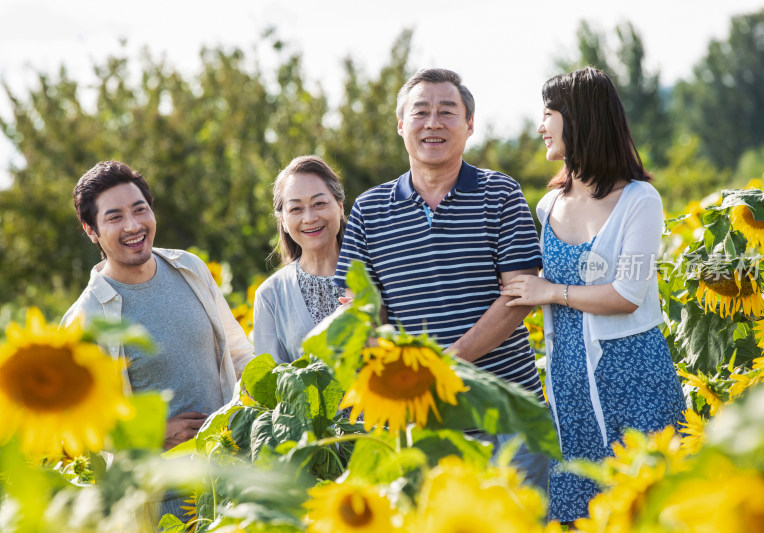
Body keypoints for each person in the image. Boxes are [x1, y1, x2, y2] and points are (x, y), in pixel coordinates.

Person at [334, 68, 548, 488]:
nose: (433, 123)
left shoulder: (501, 194)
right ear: (401, 125)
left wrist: (445, 364)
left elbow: (519, 296)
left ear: (469, 126)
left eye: (447, 112)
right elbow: (357, 305)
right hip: (420, 426)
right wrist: (406, 371)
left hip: (507, 414)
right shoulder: (369, 210)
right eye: (420, 112)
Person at [501, 67, 685, 523]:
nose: (540, 126)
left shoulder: (640, 200)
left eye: (548, 114)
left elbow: (627, 293)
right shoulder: (548, 206)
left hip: (635, 375)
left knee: (649, 507)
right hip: (570, 382)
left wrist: (551, 291)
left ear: (579, 118)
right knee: (579, 512)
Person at [61, 160, 254, 522]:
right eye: (114, 217)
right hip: (159, 504)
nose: (133, 226)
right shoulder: (86, 319)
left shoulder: (191, 270)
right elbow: (77, 423)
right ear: (91, 230)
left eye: (140, 209)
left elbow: (241, 355)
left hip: (232, 483)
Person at [252, 156, 346, 363]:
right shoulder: (270, 296)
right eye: (296, 209)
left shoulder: (377, 271)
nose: (310, 218)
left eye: (319, 203)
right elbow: (272, 385)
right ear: (283, 221)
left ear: (340, 207)